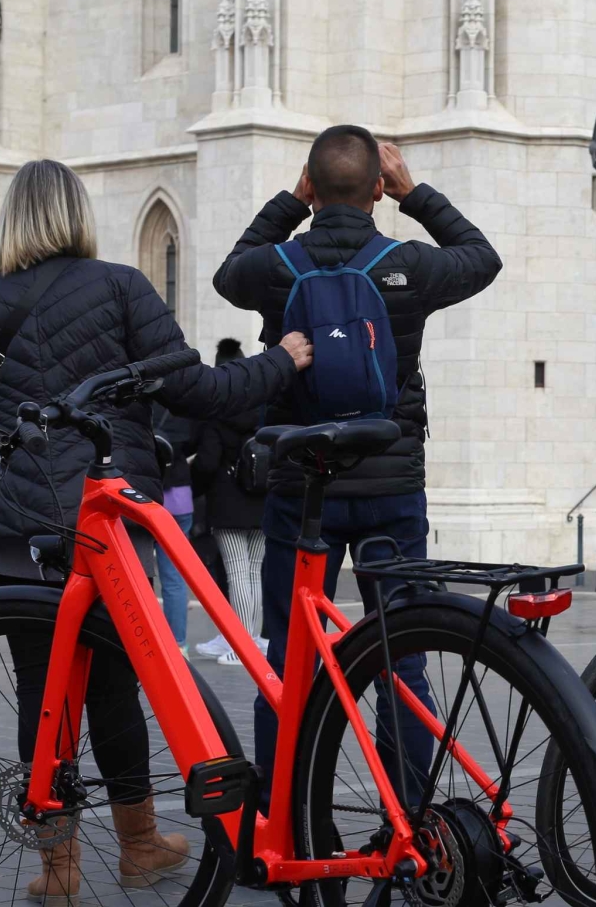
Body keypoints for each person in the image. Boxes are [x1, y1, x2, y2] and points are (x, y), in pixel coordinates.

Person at [0, 159, 312, 901]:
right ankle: (138, 841)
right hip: (105, 519)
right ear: (76, 214)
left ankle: (56, 863)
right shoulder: (119, 287)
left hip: (17, 527)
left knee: (44, 691)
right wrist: (279, 362)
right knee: (113, 684)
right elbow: (196, 387)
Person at [213, 125, 502, 807]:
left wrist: (289, 201)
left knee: (290, 659)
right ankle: (407, 822)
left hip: (301, 488)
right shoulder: (409, 263)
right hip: (391, 487)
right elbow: (482, 258)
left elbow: (230, 271)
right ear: (378, 186)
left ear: (313, 187)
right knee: (401, 660)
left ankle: (286, 818)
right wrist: (415, 194)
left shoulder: (279, 267)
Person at [190, 338, 271, 663]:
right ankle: (251, 639)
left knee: (237, 572)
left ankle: (241, 645)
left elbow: (207, 462)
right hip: (262, 500)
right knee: (254, 572)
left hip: (227, 503)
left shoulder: (217, 414)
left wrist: (196, 488)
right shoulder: (264, 413)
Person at [150, 401, 196, 654]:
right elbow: (196, 442)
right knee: (174, 578)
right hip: (178, 495)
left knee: (136, 574)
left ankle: (138, 641)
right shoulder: (182, 403)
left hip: (140, 494)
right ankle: (178, 645)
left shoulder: (134, 399)